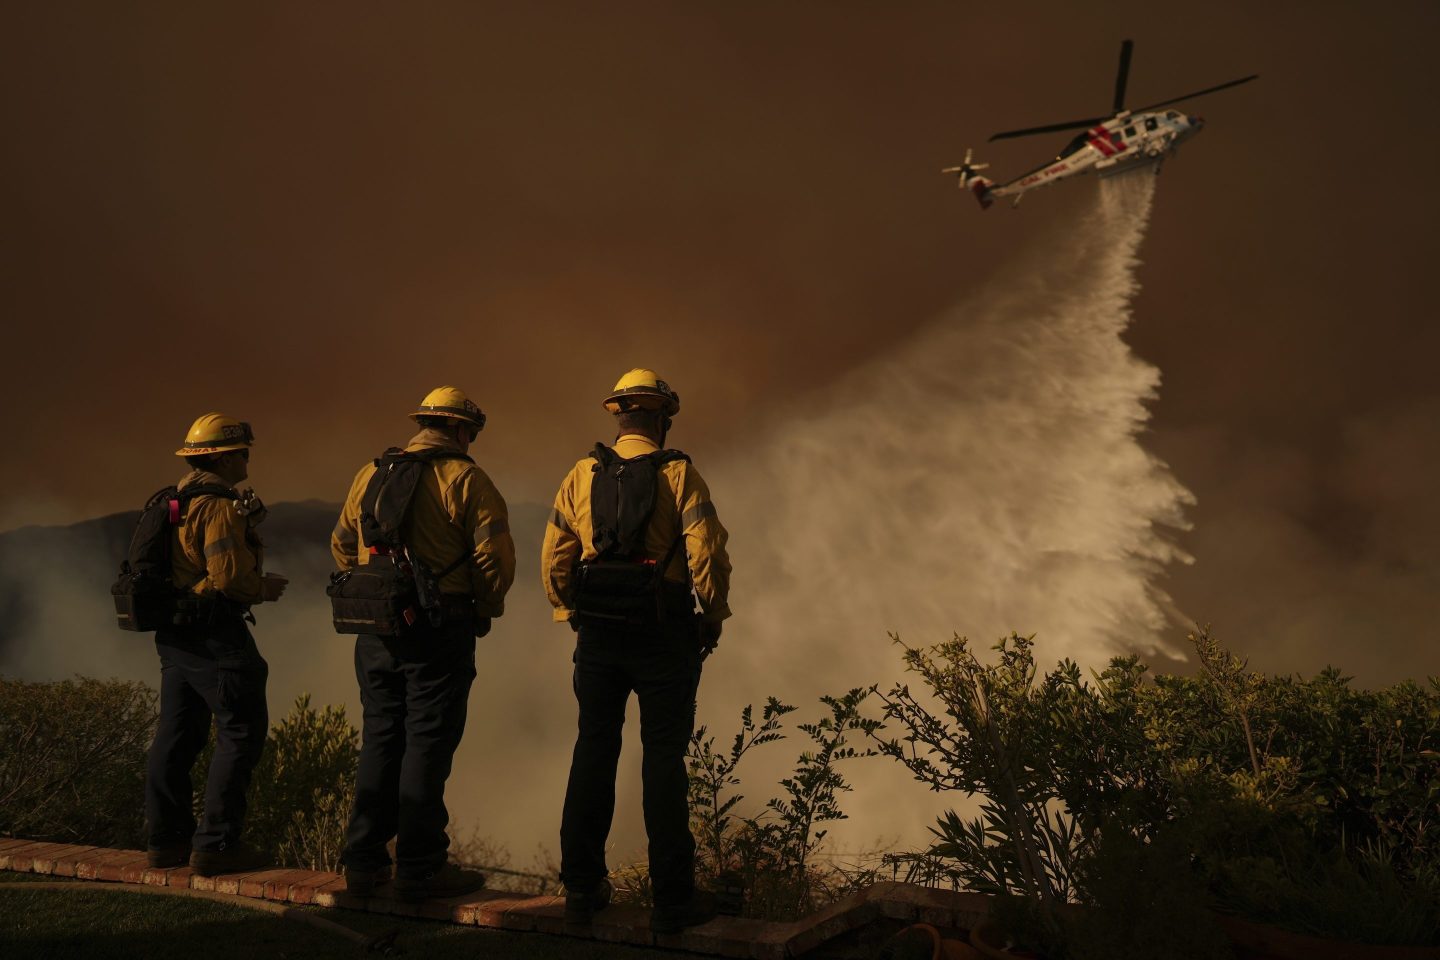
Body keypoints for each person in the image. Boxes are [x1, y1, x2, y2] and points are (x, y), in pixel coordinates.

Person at [542, 368, 731, 934]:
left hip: (597, 635)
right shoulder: (679, 474)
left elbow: (555, 554)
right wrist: (713, 615)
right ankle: (672, 901)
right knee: (663, 761)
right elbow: (707, 555)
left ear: (618, 415)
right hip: (664, 633)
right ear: (663, 418)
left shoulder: (582, 473)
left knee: (593, 750)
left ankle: (580, 889)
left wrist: (569, 611)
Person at [332, 386, 515, 901]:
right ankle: (419, 865)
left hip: (375, 633)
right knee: (427, 742)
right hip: (439, 630)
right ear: (460, 430)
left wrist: (374, 592)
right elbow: (493, 560)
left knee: (381, 735)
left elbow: (343, 542)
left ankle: (364, 863)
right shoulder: (468, 479)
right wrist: (485, 606)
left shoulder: (371, 473)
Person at [144, 413, 288, 876]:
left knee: (176, 737)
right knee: (241, 732)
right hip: (214, 636)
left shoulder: (174, 500)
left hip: (175, 637)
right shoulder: (218, 504)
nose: (248, 457)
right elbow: (226, 576)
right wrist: (260, 587)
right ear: (224, 457)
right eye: (243, 450)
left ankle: (165, 844)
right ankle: (216, 845)